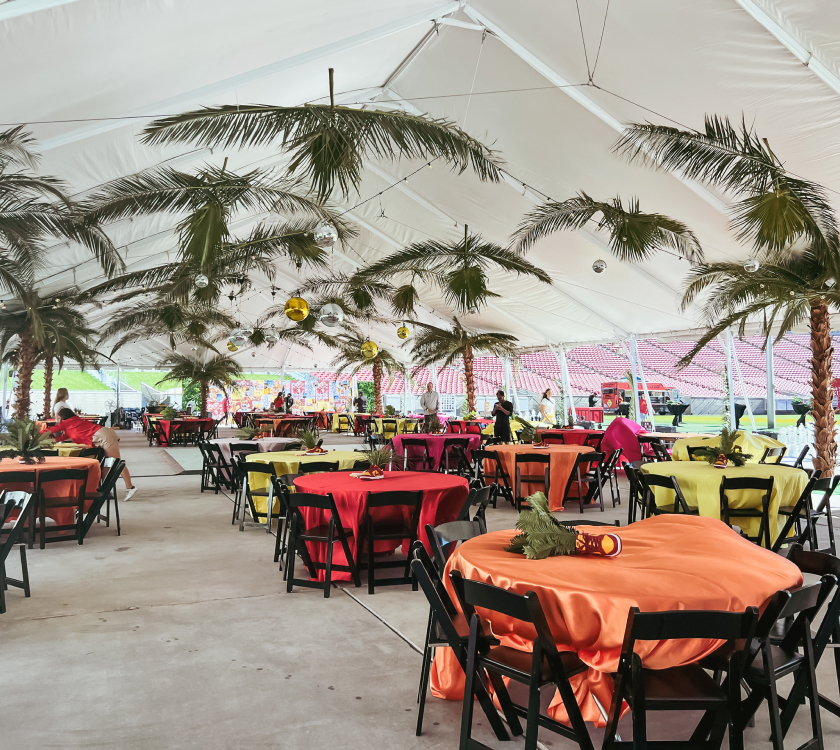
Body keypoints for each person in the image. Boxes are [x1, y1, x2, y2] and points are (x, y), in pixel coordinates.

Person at [44, 408, 137, 501]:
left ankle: (130, 487)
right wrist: (49, 441)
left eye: (57, 417)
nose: (56, 420)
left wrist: (35, 437)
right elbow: (62, 437)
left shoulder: (67, 423)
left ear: (61, 417)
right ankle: (106, 490)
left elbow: (49, 430)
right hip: (102, 435)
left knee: (115, 462)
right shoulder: (72, 424)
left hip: (104, 436)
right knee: (107, 464)